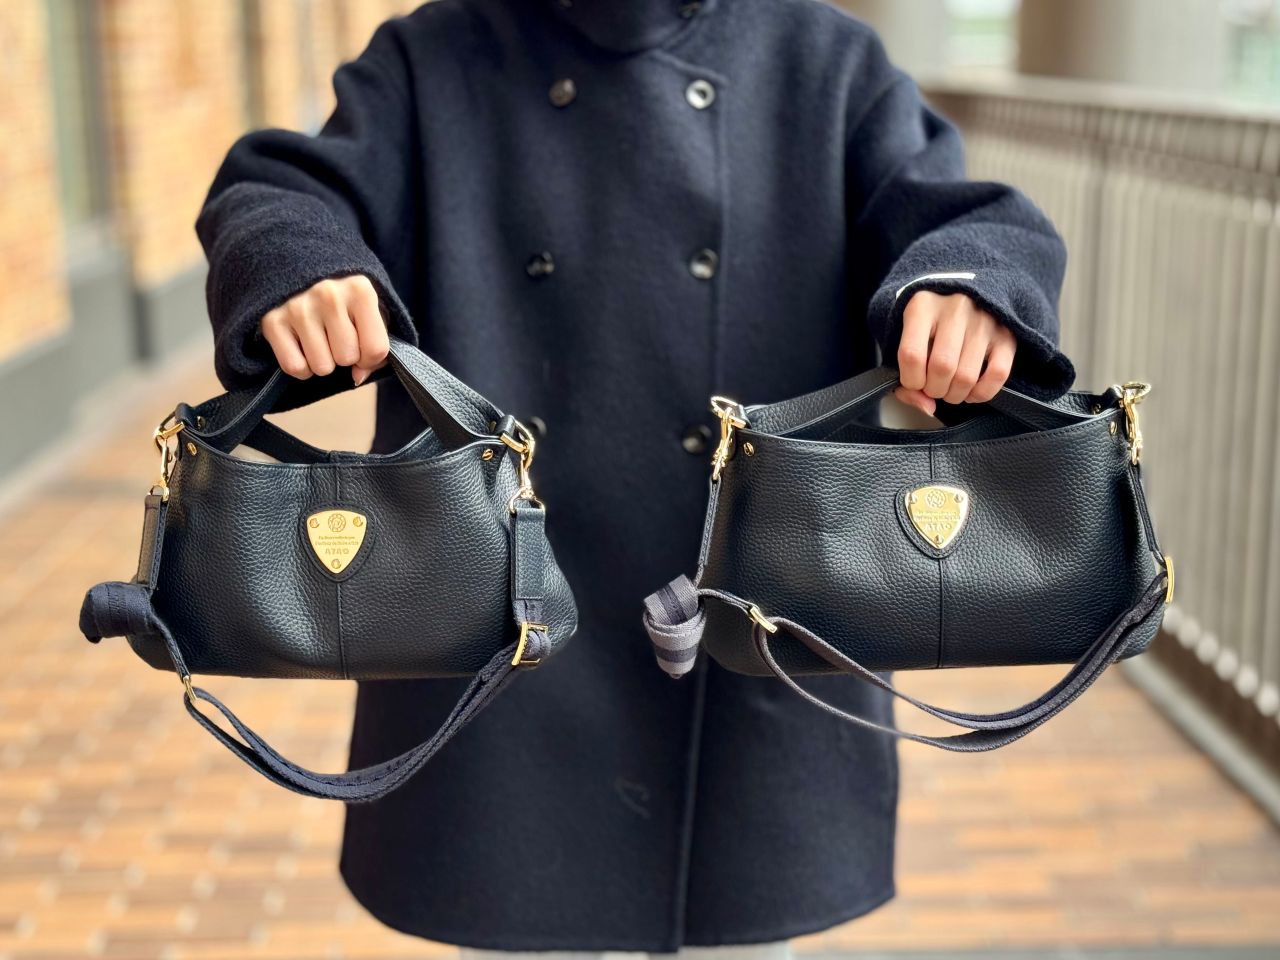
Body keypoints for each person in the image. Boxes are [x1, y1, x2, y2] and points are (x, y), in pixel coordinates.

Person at [196, 0, 1071, 955]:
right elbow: (280, 191)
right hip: (503, 639)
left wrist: (964, 288)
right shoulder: (433, 55)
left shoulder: (822, 58)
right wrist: (302, 264)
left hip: (752, 629)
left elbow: (974, 220)